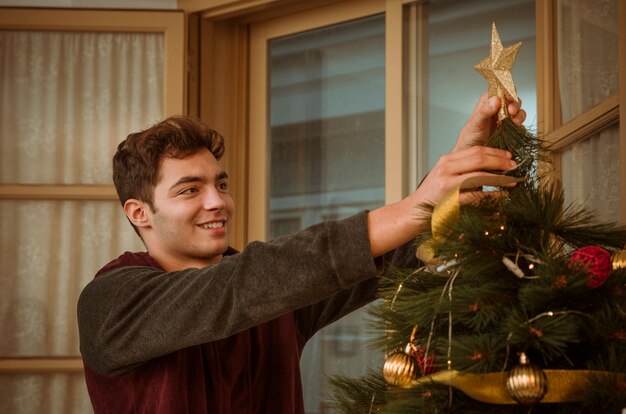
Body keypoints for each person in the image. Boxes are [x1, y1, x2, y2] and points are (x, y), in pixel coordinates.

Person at [77, 94, 526, 413]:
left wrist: (463, 168)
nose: (217, 202)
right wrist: (412, 208)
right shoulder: (111, 303)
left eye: (221, 184)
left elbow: (385, 257)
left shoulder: (276, 292)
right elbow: (239, 287)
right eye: (190, 189)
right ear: (140, 212)